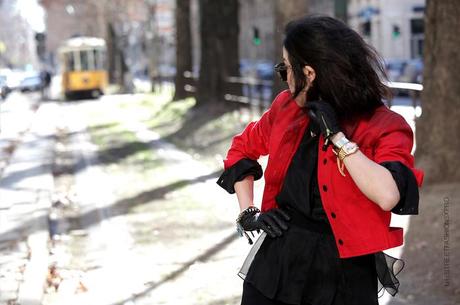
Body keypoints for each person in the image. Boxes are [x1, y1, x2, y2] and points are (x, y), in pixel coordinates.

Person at [216, 15, 424, 305]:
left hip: (344, 273)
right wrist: (249, 213)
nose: (284, 76)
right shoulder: (285, 108)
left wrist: (337, 137)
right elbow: (241, 150)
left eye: (286, 68)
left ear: (309, 73)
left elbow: (388, 195)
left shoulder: (385, 125)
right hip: (278, 265)